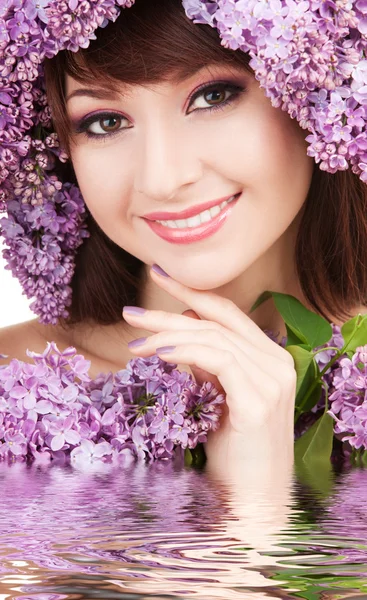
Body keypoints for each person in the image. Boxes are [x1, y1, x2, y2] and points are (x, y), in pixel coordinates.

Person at [0, 0, 366, 467]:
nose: (162, 179)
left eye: (213, 96)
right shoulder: (12, 382)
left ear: (315, 92)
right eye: (106, 122)